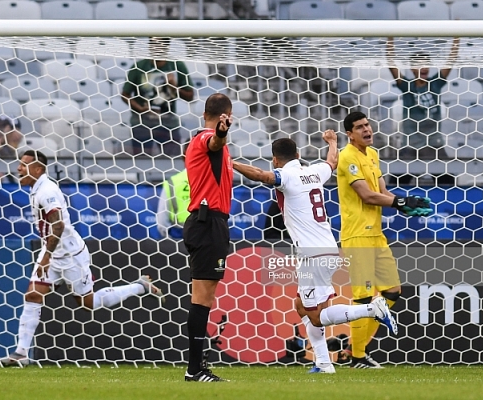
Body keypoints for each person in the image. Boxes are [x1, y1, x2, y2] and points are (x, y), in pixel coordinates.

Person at [232, 134, 398, 374]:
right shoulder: (316, 171)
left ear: (275, 160)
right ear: (298, 155)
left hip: (312, 255)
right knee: (301, 305)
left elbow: (261, 175)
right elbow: (332, 161)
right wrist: (332, 142)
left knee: (317, 316)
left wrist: (231, 163)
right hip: (329, 248)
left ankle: (372, 310)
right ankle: (323, 363)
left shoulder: (285, 175)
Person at [0, 150, 166, 367]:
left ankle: (139, 287)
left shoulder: (47, 191)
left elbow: (58, 225)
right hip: (51, 251)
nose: (18, 168)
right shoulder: (36, 188)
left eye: (24, 165)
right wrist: (47, 254)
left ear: (38, 169)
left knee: (89, 303)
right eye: (19, 164)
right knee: (33, 295)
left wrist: (46, 256)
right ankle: (21, 353)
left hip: (69, 256)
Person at [337, 111, 432, 369]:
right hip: (357, 235)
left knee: (392, 291)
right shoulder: (347, 157)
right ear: (349, 134)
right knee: (364, 299)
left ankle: (355, 349)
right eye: (360, 127)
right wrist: (401, 202)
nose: (367, 130)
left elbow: (383, 193)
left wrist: (404, 204)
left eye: (367, 125)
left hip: (376, 235)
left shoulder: (373, 154)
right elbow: (366, 195)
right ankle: (357, 357)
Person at [182, 93, 233, 382]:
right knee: (202, 299)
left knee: (206, 298)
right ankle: (194, 370)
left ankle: (197, 367)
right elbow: (214, 141)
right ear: (227, 114)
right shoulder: (205, 139)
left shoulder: (212, 145)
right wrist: (221, 133)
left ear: (204, 113)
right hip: (207, 222)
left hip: (211, 223)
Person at [386, 37, 460, 160]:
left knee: (447, 177)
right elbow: (391, 63)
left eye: (426, 64)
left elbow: (451, 60)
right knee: (398, 177)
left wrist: (457, 37)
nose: (424, 68)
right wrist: (390, 38)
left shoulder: (435, 83)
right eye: (419, 65)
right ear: (412, 69)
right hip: (411, 144)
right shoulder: (407, 86)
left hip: (433, 144)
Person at [121, 37, 194, 157]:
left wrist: (173, 87)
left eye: (160, 44)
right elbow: (125, 95)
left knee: (173, 163)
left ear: (167, 46)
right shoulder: (138, 67)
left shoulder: (177, 66)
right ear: (149, 46)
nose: (156, 47)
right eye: (153, 44)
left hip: (168, 123)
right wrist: (140, 109)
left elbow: (190, 96)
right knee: (141, 163)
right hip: (142, 124)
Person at [156, 143, 190, 239]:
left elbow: (162, 221)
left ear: (184, 156)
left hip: (179, 237)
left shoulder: (173, 182)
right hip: (206, 236)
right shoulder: (212, 180)